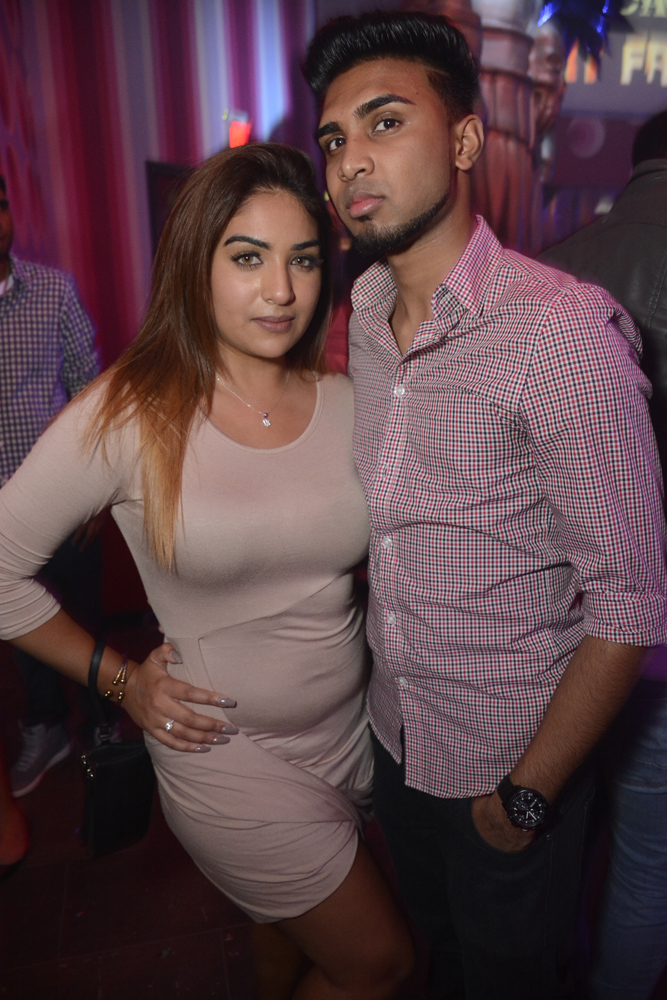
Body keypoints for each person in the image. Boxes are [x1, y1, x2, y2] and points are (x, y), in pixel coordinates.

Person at [301, 12, 667, 999]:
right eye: (334, 138)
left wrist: (528, 795)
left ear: (464, 140)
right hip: (397, 742)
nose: (349, 161)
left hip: (507, 773)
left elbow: (630, 601)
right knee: (441, 959)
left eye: (385, 123)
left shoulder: (560, 334)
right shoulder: (363, 317)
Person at [0, 143, 413, 1000]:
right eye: (248, 258)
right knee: (380, 964)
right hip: (222, 747)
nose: (282, 290)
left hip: (348, 735)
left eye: (303, 259)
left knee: (285, 929)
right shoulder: (128, 413)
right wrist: (118, 680)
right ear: (195, 263)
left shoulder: (347, 401)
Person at [540, 108, 667, 1000]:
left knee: (557, 836)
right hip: (660, 635)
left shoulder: (552, 269)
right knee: (647, 857)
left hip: (566, 618)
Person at [0, 175, 101, 797]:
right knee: (21, 629)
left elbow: (91, 391)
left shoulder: (52, 290)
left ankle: (104, 731)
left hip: (62, 499)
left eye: (1, 205)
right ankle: (46, 726)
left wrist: (93, 496)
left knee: (84, 621)